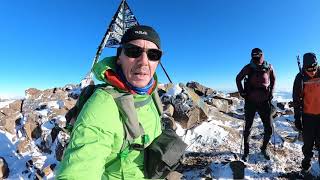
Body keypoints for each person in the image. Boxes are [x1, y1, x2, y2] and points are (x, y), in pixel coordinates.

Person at [57, 25, 163, 179]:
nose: (144, 62)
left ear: (158, 62)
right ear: (119, 58)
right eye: (133, 51)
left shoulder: (150, 92)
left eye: (153, 54)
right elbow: (81, 167)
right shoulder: (102, 104)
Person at [236, 48, 276, 161]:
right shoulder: (248, 67)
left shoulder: (269, 67)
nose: (256, 59)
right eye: (254, 57)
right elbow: (238, 79)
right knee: (248, 127)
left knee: (268, 128)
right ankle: (246, 152)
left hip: (264, 101)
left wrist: (271, 93)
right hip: (250, 101)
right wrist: (242, 92)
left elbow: (273, 79)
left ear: (262, 56)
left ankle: (264, 148)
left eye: (258, 57)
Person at [293, 52, 320, 173]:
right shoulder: (300, 77)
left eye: (314, 68)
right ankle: (306, 166)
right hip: (308, 116)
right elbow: (296, 100)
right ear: (304, 67)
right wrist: (297, 119)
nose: (312, 71)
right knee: (308, 144)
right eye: (309, 69)